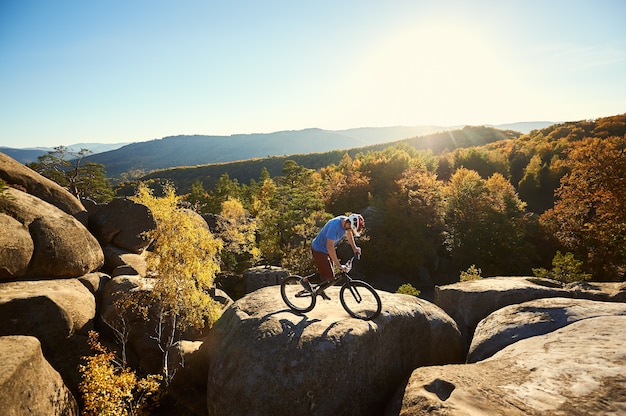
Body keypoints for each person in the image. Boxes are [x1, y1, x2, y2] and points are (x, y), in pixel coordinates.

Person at [300, 213, 364, 296]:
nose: (350, 231)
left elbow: (348, 234)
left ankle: (319, 289)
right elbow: (330, 246)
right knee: (329, 276)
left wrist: (354, 248)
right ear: (349, 224)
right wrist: (339, 265)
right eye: (351, 229)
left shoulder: (345, 223)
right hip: (318, 249)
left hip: (327, 249)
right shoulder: (335, 226)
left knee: (331, 276)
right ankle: (305, 280)